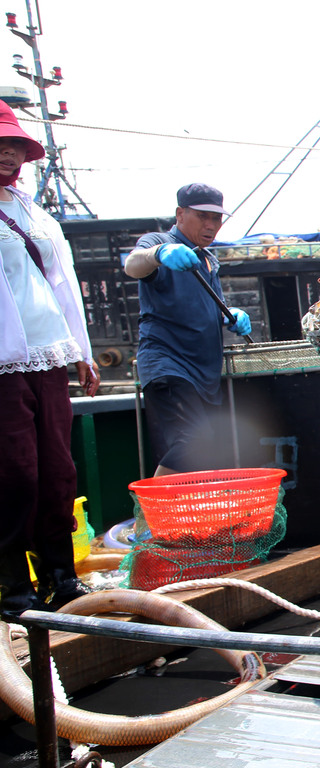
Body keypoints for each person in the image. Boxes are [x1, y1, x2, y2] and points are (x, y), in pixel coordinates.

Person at [0, 101, 100, 616]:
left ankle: (60, 577)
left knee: (58, 471)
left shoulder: (32, 212)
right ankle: (12, 583)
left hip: (48, 357)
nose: (7, 155)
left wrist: (82, 353)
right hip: (3, 365)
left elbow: (61, 285)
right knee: (14, 473)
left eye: (13, 145)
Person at [124, 184, 251, 476]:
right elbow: (133, 265)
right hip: (169, 364)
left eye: (217, 219)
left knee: (207, 450)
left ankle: (184, 518)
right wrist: (159, 253)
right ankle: (152, 515)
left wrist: (228, 315)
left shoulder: (207, 259)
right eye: (202, 216)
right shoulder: (160, 241)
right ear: (180, 214)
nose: (211, 225)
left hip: (203, 373)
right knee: (195, 440)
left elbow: (198, 305)